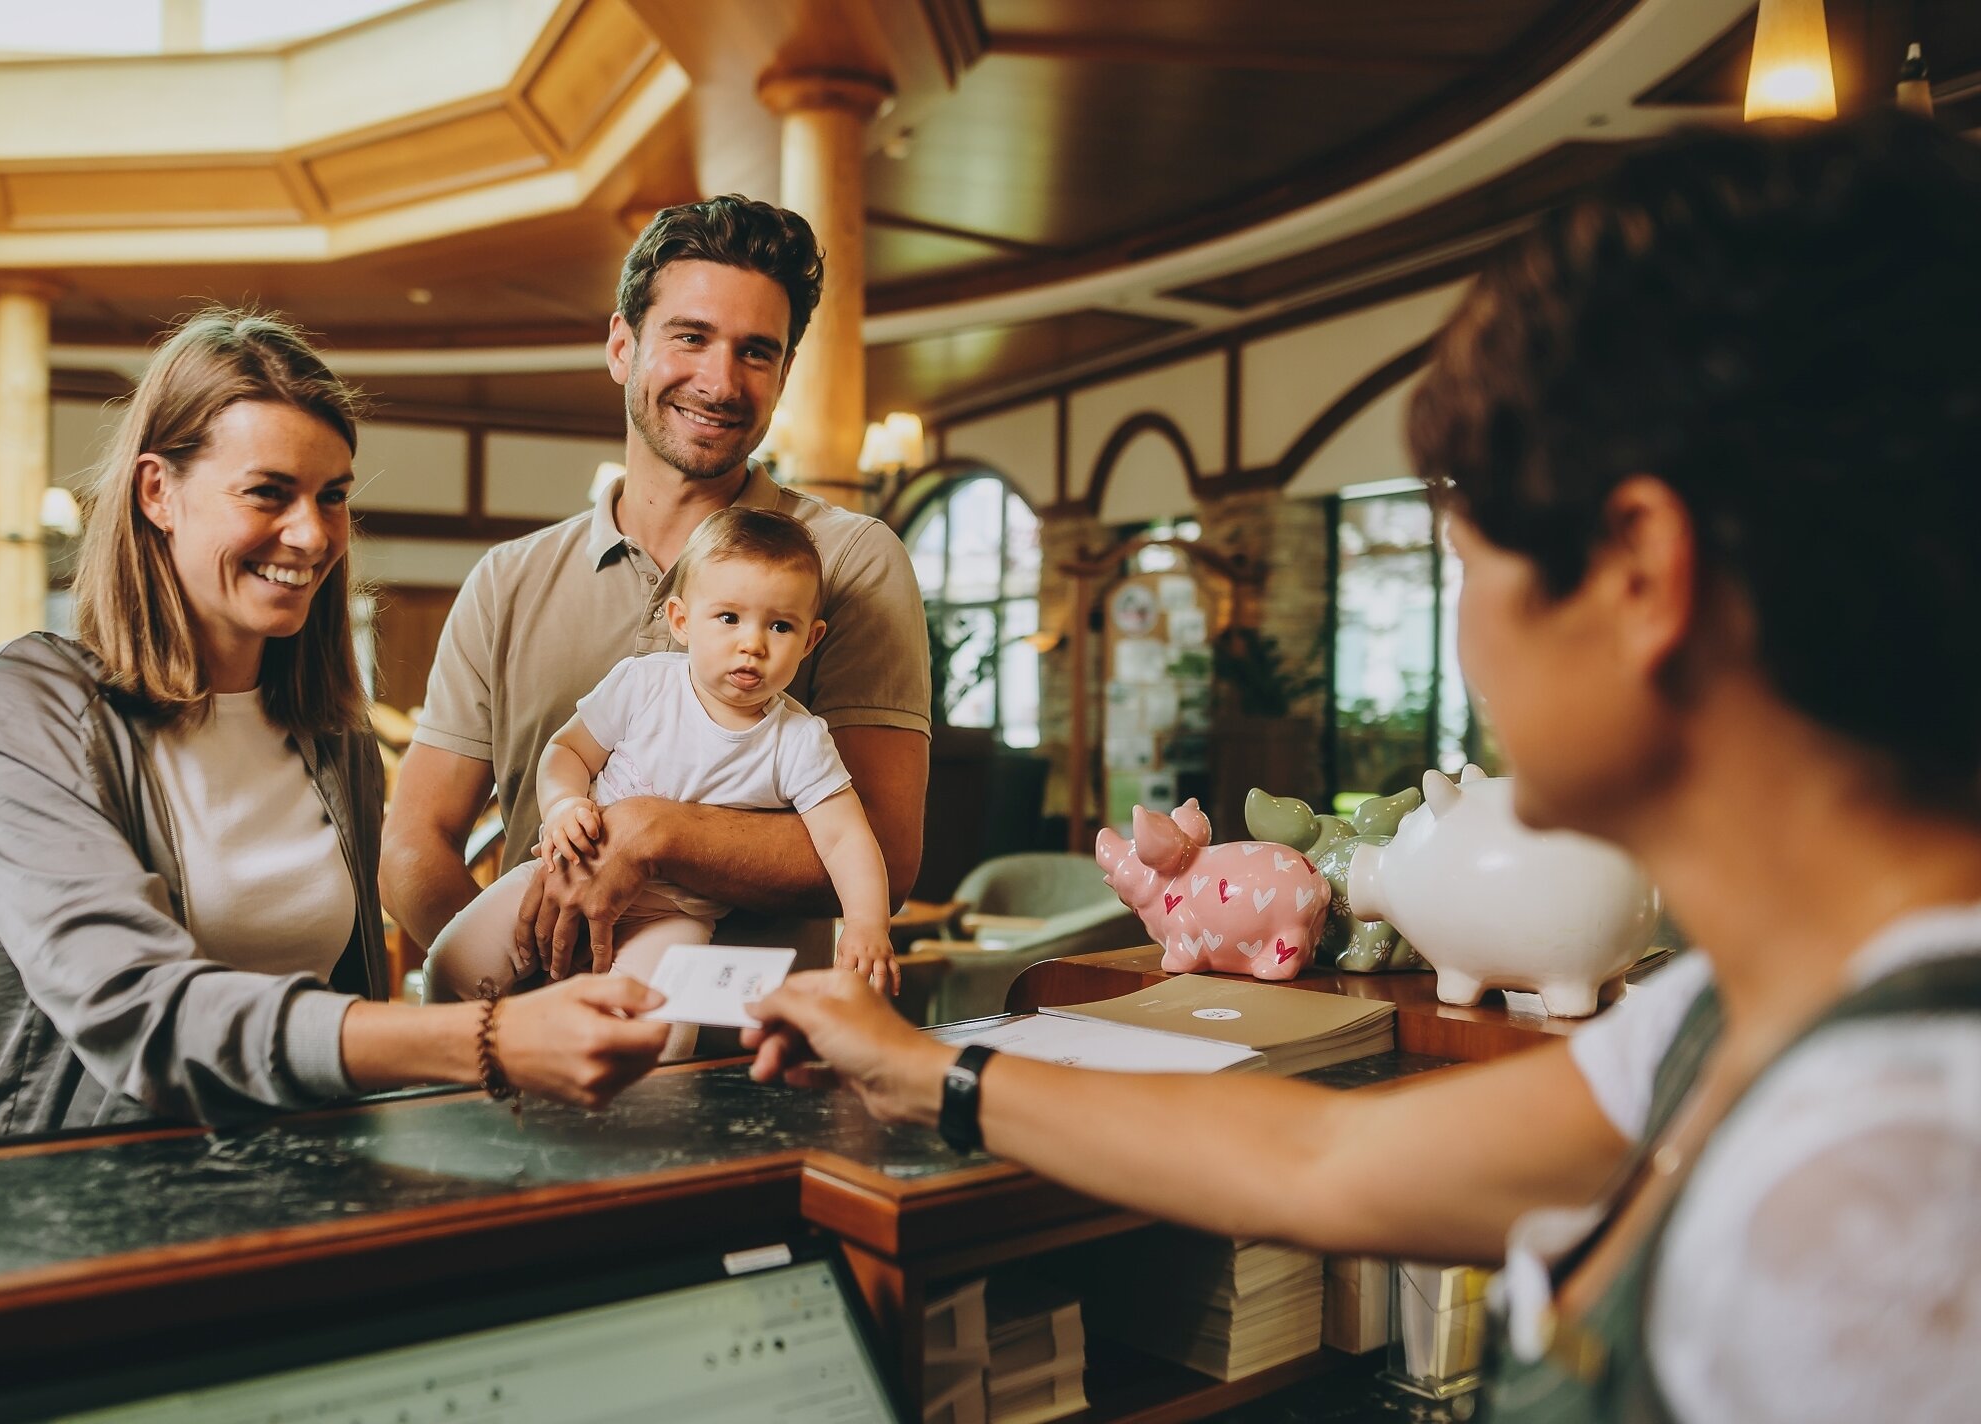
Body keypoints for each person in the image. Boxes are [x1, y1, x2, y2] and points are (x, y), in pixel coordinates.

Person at [744, 113, 1981, 1424]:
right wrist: (919, 1070)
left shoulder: (1881, 1187)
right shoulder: (1744, 1009)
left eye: (1467, 560)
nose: (1468, 636)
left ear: (1638, 576)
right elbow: (1328, 1159)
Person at [0, 308, 670, 1138]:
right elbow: (136, 1006)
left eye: (332, 498)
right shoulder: (25, 710)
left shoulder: (332, 739)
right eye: (268, 493)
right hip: (68, 1192)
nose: (312, 533)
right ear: (157, 492)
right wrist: (485, 1038)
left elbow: (341, 1010)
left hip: (303, 1182)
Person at [383, 196, 931, 983]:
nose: (720, 381)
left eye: (756, 352)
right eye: (690, 337)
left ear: (783, 375)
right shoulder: (508, 579)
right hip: (522, 1039)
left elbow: (884, 854)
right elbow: (412, 844)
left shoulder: (851, 561)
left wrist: (653, 833)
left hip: (752, 1043)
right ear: (622, 345)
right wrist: (514, 998)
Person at [424, 507, 902, 1009]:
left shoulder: (799, 741)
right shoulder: (643, 684)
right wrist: (563, 804)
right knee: (453, 964)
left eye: (780, 626)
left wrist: (866, 924)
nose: (752, 644)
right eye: (729, 618)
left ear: (810, 640)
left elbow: (845, 837)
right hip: (565, 872)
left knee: (660, 1024)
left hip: (674, 917)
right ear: (681, 621)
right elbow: (567, 751)